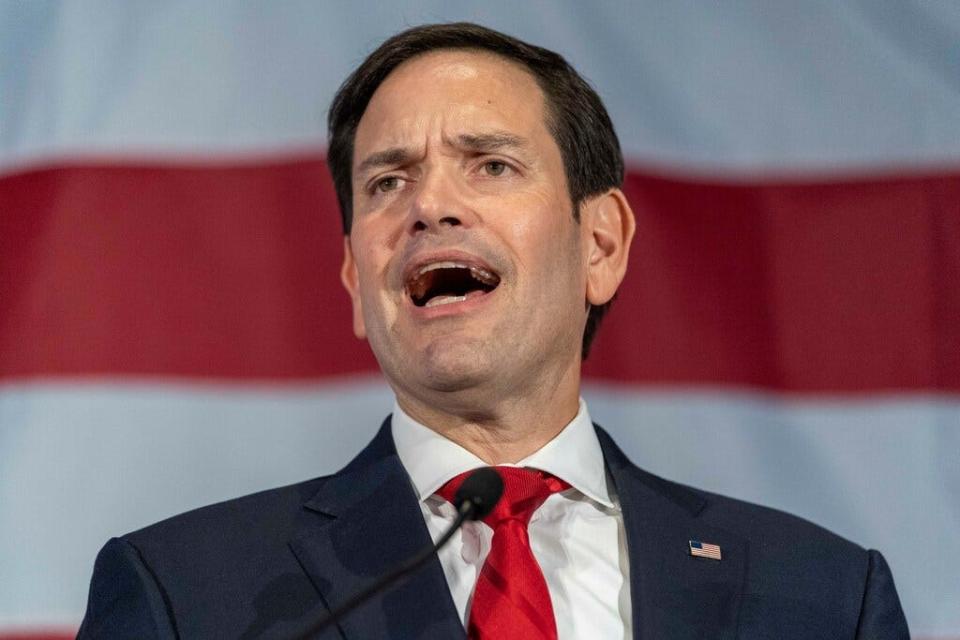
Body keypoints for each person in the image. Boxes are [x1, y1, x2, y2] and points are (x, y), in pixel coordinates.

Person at [78, 22, 909, 639]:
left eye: (491, 165)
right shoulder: (187, 596)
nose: (429, 206)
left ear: (602, 244)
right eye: (387, 181)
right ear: (356, 287)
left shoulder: (824, 596)